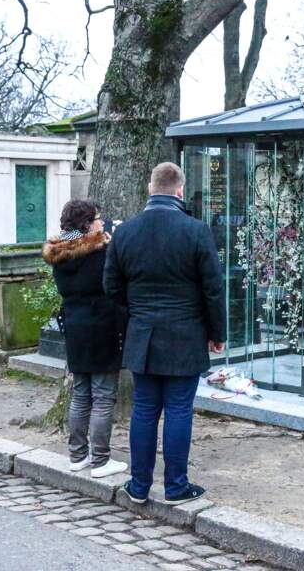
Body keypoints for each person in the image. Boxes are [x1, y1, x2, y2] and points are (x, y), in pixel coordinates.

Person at [104, 161, 225, 506]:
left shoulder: (125, 232)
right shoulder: (196, 230)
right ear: (180, 190)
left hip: (142, 334)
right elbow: (213, 289)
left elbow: (110, 286)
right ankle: (175, 486)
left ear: (149, 188)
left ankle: (139, 485)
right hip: (185, 334)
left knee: (143, 410)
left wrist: (136, 316)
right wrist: (216, 332)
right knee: (178, 411)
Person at [42, 199, 128, 478]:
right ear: (86, 224)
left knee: (81, 393)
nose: (101, 222)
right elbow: (114, 285)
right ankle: (100, 460)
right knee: (103, 396)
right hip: (102, 324)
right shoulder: (99, 252)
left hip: (75, 325)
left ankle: (77, 455)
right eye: (97, 219)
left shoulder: (58, 252)